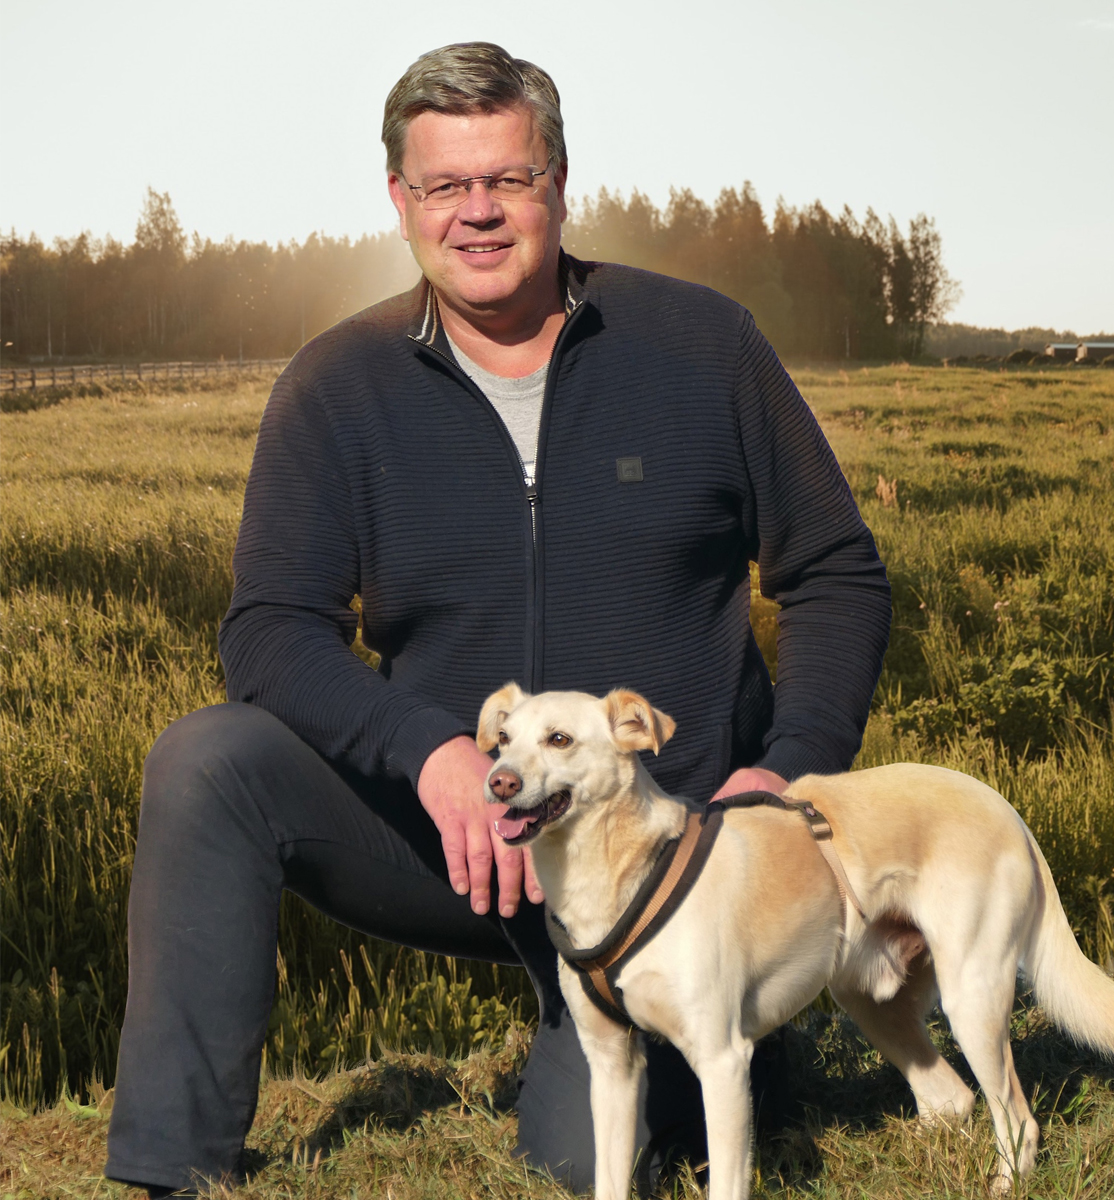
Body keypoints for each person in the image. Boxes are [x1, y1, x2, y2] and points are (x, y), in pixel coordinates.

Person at [105, 41, 891, 1198]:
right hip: (456, 837)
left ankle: (728, 1037)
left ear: (559, 184)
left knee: (583, 1163)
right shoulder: (335, 385)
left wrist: (786, 779)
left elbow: (835, 573)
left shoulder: (702, 348)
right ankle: (172, 1172)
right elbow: (269, 628)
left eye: (508, 180)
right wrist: (426, 753)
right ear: (399, 202)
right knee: (206, 762)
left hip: (659, 858)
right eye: (442, 187)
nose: (476, 213)